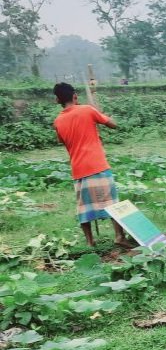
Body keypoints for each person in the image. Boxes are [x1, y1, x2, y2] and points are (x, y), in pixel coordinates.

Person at [52, 82, 131, 248]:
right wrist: (99, 114)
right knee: (112, 202)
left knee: (84, 207)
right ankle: (119, 236)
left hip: (78, 169)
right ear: (75, 96)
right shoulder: (87, 110)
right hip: (97, 165)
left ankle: (90, 242)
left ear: (57, 99)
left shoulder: (58, 121)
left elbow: (62, 141)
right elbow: (113, 124)